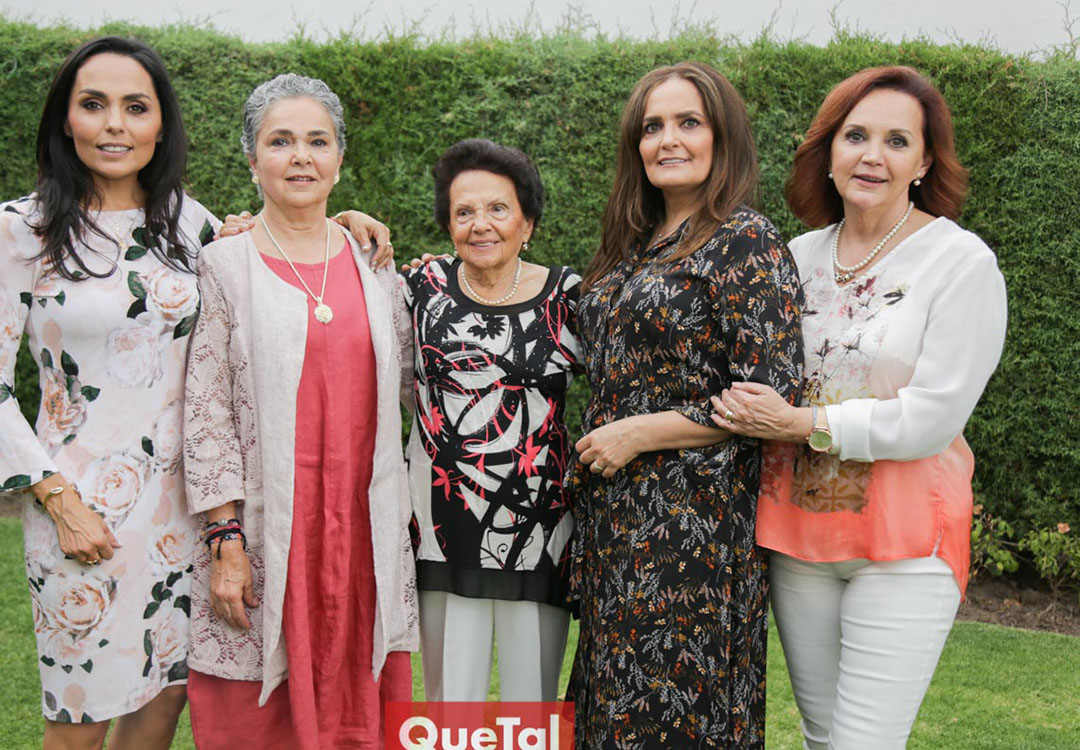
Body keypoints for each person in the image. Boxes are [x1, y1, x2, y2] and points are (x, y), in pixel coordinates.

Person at [711, 66, 1007, 750]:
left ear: (924, 162)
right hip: (798, 537)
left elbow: (934, 416)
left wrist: (801, 424)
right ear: (829, 151)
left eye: (897, 141)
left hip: (905, 543)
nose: (873, 155)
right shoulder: (794, 257)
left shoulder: (959, 263)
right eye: (856, 136)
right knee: (822, 738)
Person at [0, 36, 217, 750]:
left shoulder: (195, 227)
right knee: (79, 722)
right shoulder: (21, 228)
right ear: (66, 120)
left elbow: (280, 258)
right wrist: (60, 502)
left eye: (135, 107)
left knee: (163, 704)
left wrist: (347, 226)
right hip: (78, 512)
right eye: (94, 105)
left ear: (162, 123)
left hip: (184, 512)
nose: (115, 124)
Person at [566, 61, 804, 749]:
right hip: (615, 523)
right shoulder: (632, 247)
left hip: (692, 527)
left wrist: (641, 433)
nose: (668, 139)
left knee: (672, 717)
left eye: (688, 122)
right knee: (609, 714)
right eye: (653, 126)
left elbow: (767, 393)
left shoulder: (745, 240)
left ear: (721, 137)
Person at [181, 72, 417, 750]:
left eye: (318, 141)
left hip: (361, 533)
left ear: (340, 158)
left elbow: (418, 378)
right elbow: (206, 413)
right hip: (266, 531)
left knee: (361, 708)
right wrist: (225, 541)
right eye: (280, 141)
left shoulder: (376, 266)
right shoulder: (224, 266)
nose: (301, 157)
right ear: (251, 158)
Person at [402, 138, 583, 701]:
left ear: (528, 222)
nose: (480, 224)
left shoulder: (569, 297)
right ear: (448, 226)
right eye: (464, 212)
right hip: (442, 524)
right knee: (449, 706)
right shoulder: (420, 289)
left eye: (498, 209)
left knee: (532, 705)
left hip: (537, 525)